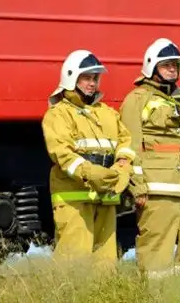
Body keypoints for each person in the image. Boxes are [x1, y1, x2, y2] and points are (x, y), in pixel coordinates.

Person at [119, 38, 180, 278]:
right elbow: (130, 148)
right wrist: (137, 187)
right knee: (156, 254)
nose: (172, 68)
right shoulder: (136, 99)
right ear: (152, 66)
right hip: (158, 189)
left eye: (175, 64)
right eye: (166, 64)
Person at [41, 49, 134, 267]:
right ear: (71, 77)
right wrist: (90, 173)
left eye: (95, 78)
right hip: (74, 197)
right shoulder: (58, 114)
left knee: (105, 263)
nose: (92, 84)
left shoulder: (107, 113)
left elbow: (125, 142)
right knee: (74, 262)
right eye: (86, 78)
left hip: (105, 197)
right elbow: (61, 153)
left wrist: (123, 167)